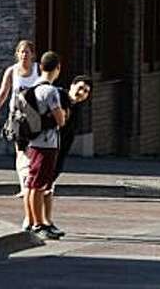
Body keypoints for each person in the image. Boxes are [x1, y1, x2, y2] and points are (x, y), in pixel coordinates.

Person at [0, 39, 40, 230]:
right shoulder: (12, 71)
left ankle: (31, 181)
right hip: (17, 117)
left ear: (33, 54)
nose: (24, 55)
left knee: (34, 152)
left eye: (28, 52)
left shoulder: (38, 71)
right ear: (17, 54)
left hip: (36, 118)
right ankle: (24, 184)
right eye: (21, 52)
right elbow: (3, 93)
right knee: (21, 152)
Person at [41, 75, 93, 238]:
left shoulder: (75, 106)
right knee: (42, 187)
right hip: (48, 148)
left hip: (60, 151)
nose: (82, 92)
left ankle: (47, 221)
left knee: (49, 187)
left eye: (86, 91)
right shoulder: (59, 97)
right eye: (80, 87)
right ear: (72, 85)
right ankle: (37, 222)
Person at [25, 51, 66, 240]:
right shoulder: (51, 91)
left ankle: (35, 221)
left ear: (40, 67)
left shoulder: (32, 88)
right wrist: (62, 114)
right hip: (46, 143)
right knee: (39, 185)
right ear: (57, 68)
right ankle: (38, 224)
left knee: (34, 183)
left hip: (33, 141)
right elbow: (61, 119)